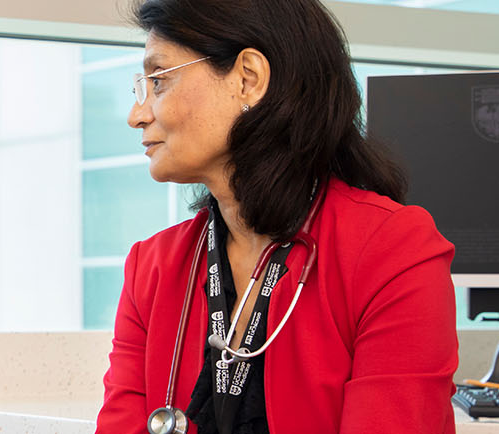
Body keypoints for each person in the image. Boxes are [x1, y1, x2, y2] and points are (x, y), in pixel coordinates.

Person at [96, 0, 458, 433]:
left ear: (248, 79)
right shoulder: (152, 268)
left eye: (159, 81)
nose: (138, 114)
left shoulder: (392, 250)